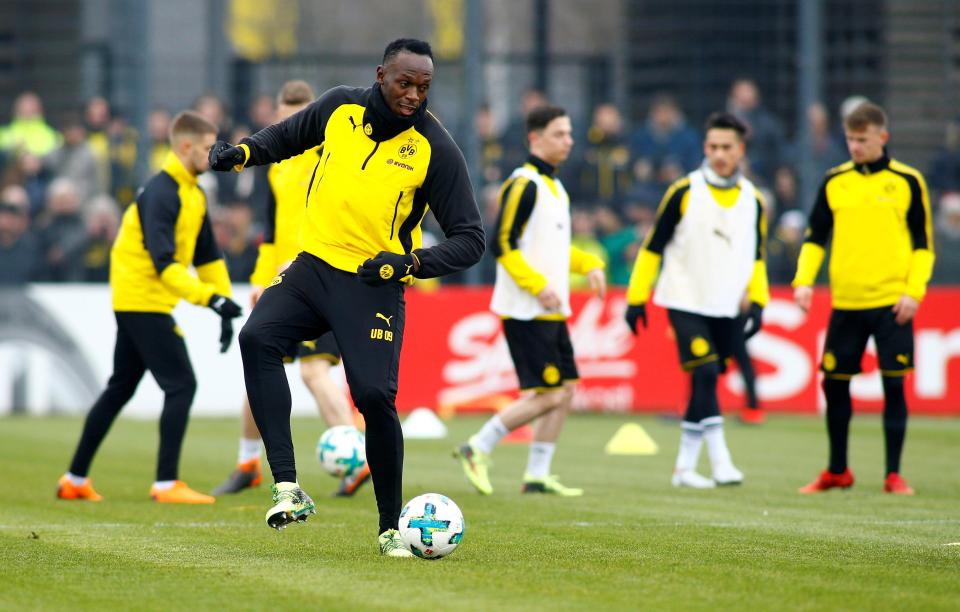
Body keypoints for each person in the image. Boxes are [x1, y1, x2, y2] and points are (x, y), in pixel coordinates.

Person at [207, 38, 484, 557]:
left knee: (375, 398)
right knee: (257, 337)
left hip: (372, 283)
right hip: (313, 267)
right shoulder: (339, 108)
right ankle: (287, 485)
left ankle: (388, 529)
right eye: (405, 82)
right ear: (381, 75)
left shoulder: (434, 147)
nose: (413, 95)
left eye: (424, 86)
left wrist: (410, 264)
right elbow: (286, 137)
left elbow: (471, 238)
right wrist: (240, 153)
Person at [56, 111, 243, 504]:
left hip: (142, 300)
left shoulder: (193, 191)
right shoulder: (162, 192)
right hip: (142, 300)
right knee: (181, 384)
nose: (214, 156)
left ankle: (74, 479)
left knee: (120, 387)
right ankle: (165, 483)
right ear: (186, 146)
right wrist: (211, 299)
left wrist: (224, 304)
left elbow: (208, 257)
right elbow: (165, 265)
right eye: (209, 148)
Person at [212, 80, 371, 499]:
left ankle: (357, 458)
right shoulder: (278, 167)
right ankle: (248, 463)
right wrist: (263, 278)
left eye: (300, 118)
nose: (293, 126)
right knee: (260, 367)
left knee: (314, 369)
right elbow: (271, 232)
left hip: (324, 275)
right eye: (286, 118)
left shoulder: (333, 156)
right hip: (282, 282)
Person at [454, 105, 606, 498]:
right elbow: (503, 243)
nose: (568, 141)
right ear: (535, 138)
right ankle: (478, 446)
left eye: (570, 133)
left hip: (549, 308)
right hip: (526, 307)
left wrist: (588, 262)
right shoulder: (523, 184)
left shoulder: (555, 187)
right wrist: (537, 286)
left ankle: (537, 474)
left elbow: (554, 249)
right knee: (550, 394)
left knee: (566, 389)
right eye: (559, 134)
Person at [794, 102, 934, 496]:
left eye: (862, 139)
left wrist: (913, 292)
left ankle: (893, 474)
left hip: (893, 304)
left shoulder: (907, 181)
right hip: (847, 304)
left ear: (882, 138)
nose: (854, 147)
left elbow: (923, 245)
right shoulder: (835, 181)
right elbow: (814, 238)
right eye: (850, 139)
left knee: (894, 387)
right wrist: (803, 280)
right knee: (834, 385)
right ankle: (837, 470)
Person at [624, 112, 769, 488]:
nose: (720, 154)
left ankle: (684, 468)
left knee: (705, 383)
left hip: (724, 304)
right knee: (704, 373)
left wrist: (758, 301)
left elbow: (757, 255)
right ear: (705, 148)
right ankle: (721, 460)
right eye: (713, 146)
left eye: (727, 147)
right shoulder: (684, 191)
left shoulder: (753, 200)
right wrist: (637, 297)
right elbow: (652, 248)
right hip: (684, 300)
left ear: (741, 150)